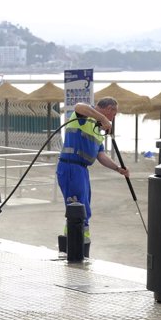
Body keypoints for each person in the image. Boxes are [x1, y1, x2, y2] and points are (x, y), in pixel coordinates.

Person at [56, 97, 130, 256]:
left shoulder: (97, 129)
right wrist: (102, 118)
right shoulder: (85, 116)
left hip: (82, 170)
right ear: (108, 109)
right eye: (114, 113)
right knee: (76, 207)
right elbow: (79, 106)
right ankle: (73, 247)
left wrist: (118, 168)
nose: (113, 118)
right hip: (70, 166)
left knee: (83, 208)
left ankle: (77, 245)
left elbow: (101, 155)